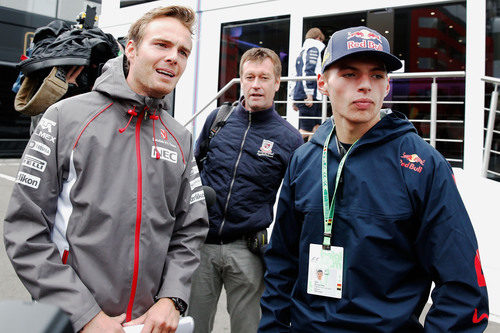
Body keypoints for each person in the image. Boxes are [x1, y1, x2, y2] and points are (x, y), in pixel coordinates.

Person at [259, 26, 489, 332]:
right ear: (322, 83)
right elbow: (281, 263)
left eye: (377, 75)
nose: (365, 85)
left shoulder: (423, 166)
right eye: (350, 74)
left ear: (387, 85)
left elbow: (463, 287)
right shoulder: (303, 160)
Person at [4, 5, 209, 333]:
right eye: (162, 45)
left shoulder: (180, 138)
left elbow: (191, 228)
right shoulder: (65, 118)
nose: (174, 57)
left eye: (183, 51)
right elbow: (24, 229)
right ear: (131, 49)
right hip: (70, 322)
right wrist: (83, 314)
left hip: (148, 325)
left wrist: (172, 298)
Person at [188, 47, 303, 333]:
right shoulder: (218, 120)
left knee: (249, 329)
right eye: (249, 77)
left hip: (247, 250)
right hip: (202, 245)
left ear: (277, 83)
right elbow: (191, 172)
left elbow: (297, 202)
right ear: (240, 80)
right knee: (192, 326)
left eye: (264, 77)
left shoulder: (289, 139)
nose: (255, 85)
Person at [292, 27, 325, 140]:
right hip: (308, 96)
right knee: (305, 131)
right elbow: (308, 71)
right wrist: (309, 94)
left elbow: (296, 75)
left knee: (316, 128)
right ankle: (288, 150)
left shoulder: (302, 52)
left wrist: (293, 98)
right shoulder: (313, 49)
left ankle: (312, 155)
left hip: (304, 95)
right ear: (318, 38)